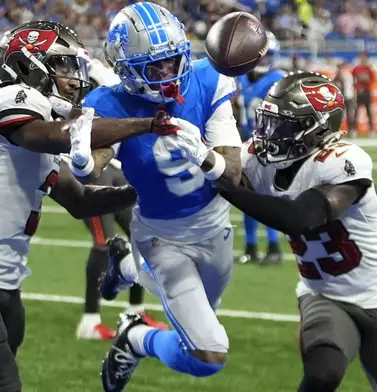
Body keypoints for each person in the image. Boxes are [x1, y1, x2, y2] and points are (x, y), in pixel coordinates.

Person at [0, 21, 189, 392]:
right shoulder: (10, 102)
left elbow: (79, 201)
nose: (73, 78)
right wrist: (147, 123)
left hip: (7, 277)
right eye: (63, 66)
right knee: (3, 385)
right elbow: (58, 136)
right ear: (30, 66)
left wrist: (142, 190)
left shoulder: (44, 128)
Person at [216, 71, 377, 392]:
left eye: (285, 125)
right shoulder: (257, 158)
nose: (270, 133)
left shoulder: (344, 160)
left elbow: (300, 217)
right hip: (323, 292)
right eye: (270, 121)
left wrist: (225, 187)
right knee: (322, 373)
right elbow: (216, 171)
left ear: (317, 129)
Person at [89, 3, 242, 391]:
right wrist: (80, 161)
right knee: (209, 353)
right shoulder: (109, 103)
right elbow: (94, 164)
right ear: (125, 69)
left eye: (171, 62)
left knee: (203, 320)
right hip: (162, 237)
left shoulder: (209, 78)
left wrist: (205, 157)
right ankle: (136, 338)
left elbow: (233, 171)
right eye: (152, 68)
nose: (166, 75)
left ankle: (125, 267)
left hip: (215, 226)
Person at [77, 58, 168, 341]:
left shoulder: (109, 75)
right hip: (96, 167)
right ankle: (90, 320)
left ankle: (136, 312)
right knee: (103, 243)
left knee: (143, 239)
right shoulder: (92, 72)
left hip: (118, 168)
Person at [233, 31, 283, 266]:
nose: (263, 60)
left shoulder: (278, 79)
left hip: (271, 147)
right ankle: (251, 247)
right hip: (246, 145)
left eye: (268, 55)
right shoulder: (241, 79)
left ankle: (274, 248)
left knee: (267, 198)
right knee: (247, 197)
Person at [351, 52, 375, 137]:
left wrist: (364, 78)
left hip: (366, 91)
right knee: (356, 112)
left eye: (365, 57)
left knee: (369, 111)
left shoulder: (369, 68)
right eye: (362, 57)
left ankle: (372, 130)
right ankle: (354, 130)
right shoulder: (356, 68)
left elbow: (371, 79)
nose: (363, 58)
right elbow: (353, 80)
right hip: (358, 92)